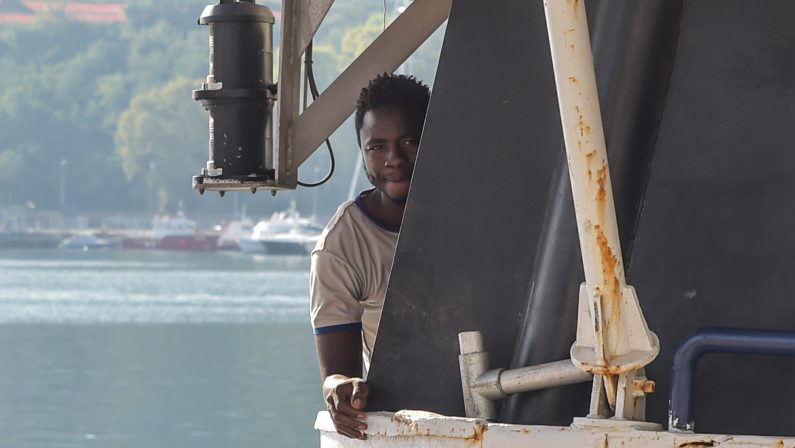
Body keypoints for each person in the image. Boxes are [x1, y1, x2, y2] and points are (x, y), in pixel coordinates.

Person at [309, 73, 431, 440]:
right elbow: (337, 375)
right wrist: (341, 391)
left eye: (410, 141)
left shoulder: (481, 213)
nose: (393, 159)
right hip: (407, 427)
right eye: (377, 147)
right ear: (362, 152)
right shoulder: (340, 246)